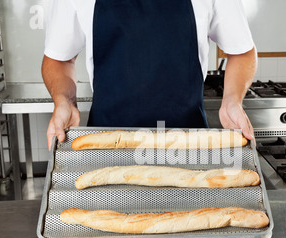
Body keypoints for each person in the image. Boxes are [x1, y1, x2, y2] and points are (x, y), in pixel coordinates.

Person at [42, 0, 257, 150]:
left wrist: (232, 100)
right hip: (106, 146)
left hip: (189, 148)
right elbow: (58, 59)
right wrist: (64, 102)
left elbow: (242, 52)